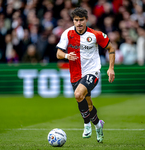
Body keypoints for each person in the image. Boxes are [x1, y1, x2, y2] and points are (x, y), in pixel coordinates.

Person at [56, 7, 115, 143]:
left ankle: (86, 125)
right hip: (75, 75)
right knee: (88, 105)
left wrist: (111, 68)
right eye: (76, 20)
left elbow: (111, 48)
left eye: (81, 20)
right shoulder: (67, 33)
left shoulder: (95, 35)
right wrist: (66, 55)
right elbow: (58, 53)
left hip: (92, 72)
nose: (79, 23)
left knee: (78, 95)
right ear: (73, 21)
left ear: (86, 20)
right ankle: (98, 125)